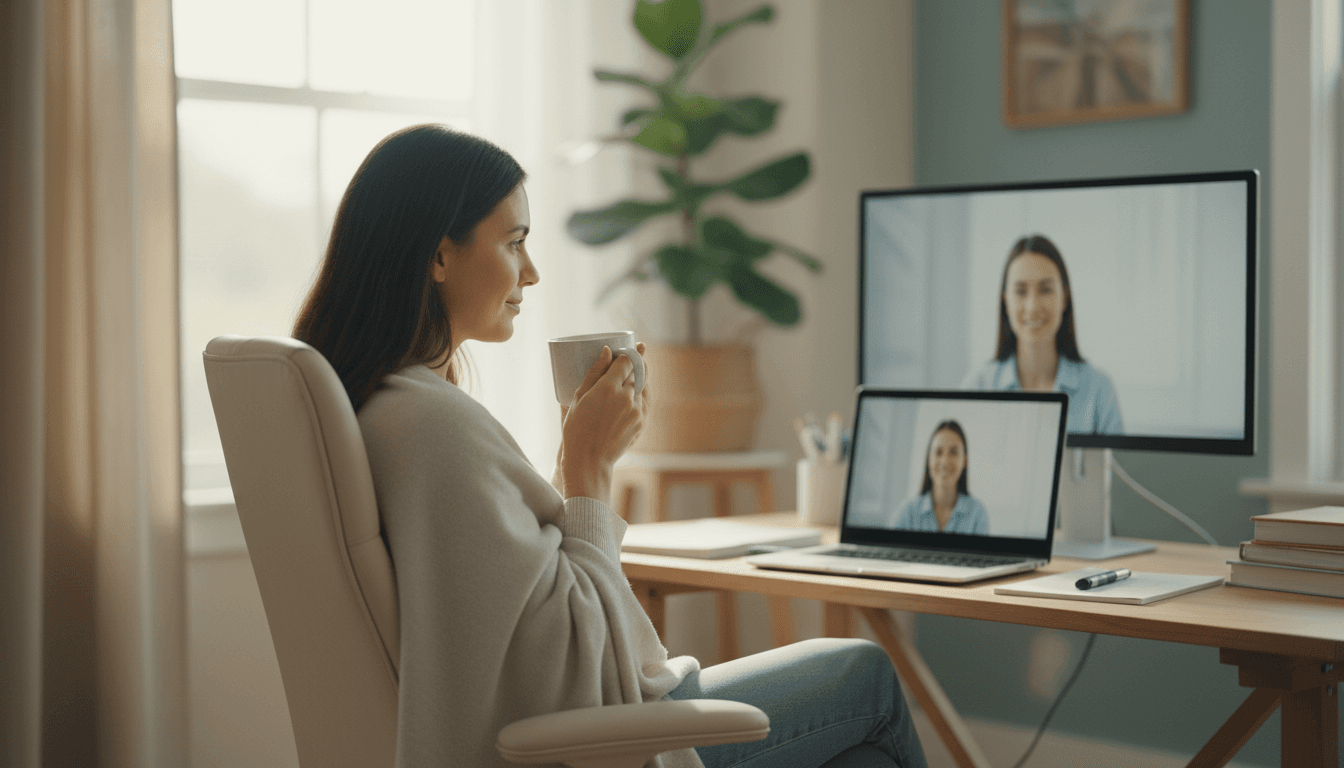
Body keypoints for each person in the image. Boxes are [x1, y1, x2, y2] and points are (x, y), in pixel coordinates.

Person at [292, 125, 927, 768]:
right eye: (514, 243)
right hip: (614, 738)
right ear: (438, 256)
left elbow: (507, 609)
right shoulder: (434, 427)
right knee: (866, 674)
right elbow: (575, 673)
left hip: (567, 727)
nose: (531, 272)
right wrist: (590, 467)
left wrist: (574, 462)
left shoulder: (385, 409)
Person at [961, 234, 1123, 434]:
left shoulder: (1098, 390)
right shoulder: (977, 386)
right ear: (1005, 301)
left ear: (1065, 298)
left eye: (1045, 290)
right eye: (1020, 291)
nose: (1032, 306)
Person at [889, 421, 988, 534]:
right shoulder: (908, 512)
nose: (945, 461)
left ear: (964, 460)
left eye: (953, 452)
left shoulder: (977, 514)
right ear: (928, 459)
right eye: (938, 452)